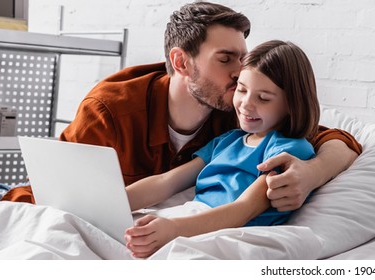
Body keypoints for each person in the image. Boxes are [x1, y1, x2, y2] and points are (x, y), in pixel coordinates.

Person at [0, 1, 361, 224]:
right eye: (226, 59)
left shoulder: (238, 108)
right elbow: (59, 195)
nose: (241, 77)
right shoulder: (111, 108)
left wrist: (310, 174)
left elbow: (331, 139)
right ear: (182, 62)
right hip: (25, 194)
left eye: (243, 60)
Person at [124, 40, 320, 258]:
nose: (246, 104)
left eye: (263, 98)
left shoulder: (288, 150)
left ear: (291, 104)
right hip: (190, 217)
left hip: (228, 232)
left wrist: (174, 229)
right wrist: (117, 201)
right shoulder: (228, 141)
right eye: (241, 90)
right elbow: (168, 181)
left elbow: (243, 210)